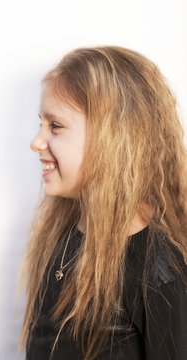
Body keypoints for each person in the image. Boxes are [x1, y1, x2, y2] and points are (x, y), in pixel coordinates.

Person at [21, 46, 187, 359]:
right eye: (41, 124)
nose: (37, 142)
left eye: (55, 126)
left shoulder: (159, 271)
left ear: (112, 138)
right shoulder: (63, 237)